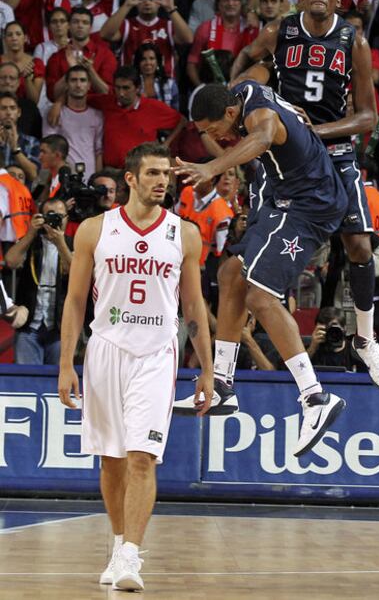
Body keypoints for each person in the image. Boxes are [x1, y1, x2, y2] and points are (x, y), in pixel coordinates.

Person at [58, 142, 214, 591]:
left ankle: (131, 556)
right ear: (130, 178)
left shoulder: (184, 233)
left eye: (166, 174)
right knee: (111, 460)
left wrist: (207, 369)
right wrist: (66, 363)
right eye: (152, 173)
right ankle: (118, 542)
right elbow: (73, 302)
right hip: (105, 348)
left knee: (142, 457)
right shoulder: (93, 230)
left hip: (156, 352)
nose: (162, 181)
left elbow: (193, 304)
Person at [228, 0, 379, 390]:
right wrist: (245, 103)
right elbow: (244, 68)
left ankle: (365, 338)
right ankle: (224, 371)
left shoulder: (352, 40)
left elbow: (367, 118)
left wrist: (313, 130)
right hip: (287, 157)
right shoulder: (278, 32)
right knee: (247, 258)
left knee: (360, 245)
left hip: (334, 149)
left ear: (340, 0)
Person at [173, 82, 348, 457]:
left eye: (210, 129)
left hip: (309, 204)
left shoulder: (259, 117)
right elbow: (257, 71)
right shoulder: (241, 91)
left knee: (260, 295)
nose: (210, 137)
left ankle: (316, 397)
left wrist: (213, 166)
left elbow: (264, 135)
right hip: (284, 197)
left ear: (231, 114)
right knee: (230, 275)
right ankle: (221, 383)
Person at [5, 197, 72, 364]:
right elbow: (11, 262)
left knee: (57, 384)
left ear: (67, 219)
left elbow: (74, 272)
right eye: (49, 215)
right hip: (29, 327)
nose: (54, 219)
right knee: (27, 383)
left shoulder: (73, 243)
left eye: (59, 215)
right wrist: (30, 233)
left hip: (59, 327)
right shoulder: (31, 241)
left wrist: (60, 243)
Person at [86, 65, 186, 169]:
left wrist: (165, 144)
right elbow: (80, 99)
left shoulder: (153, 107)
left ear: (137, 88)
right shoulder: (107, 102)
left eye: (126, 88)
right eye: (118, 87)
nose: (121, 93)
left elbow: (182, 121)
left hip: (142, 172)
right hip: (112, 173)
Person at [100, 0, 193, 77]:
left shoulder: (169, 25)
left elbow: (188, 39)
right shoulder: (127, 24)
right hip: (132, 84)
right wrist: (127, 5)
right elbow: (104, 34)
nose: (147, 2)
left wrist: (170, 8)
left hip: (164, 84)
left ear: (159, 2)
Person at [187, 0, 258, 88]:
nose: (230, 3)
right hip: (213, 89)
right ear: (218, 4)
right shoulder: (205, 28)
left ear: (241, 3)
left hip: (245, 88)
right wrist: (201, 88)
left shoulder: (252, 28)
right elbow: (192, 63)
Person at [43, 65, 103, 181]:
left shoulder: (97, 116)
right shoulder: (54, 113)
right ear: (66, 84)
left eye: (82, 80)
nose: (78, 85)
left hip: (89, 178)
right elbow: (49, 148)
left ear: (89, 85)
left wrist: (98, 180)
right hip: (61, 179)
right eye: (73, 80)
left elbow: (98, 151)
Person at [45, 7, 116, 102]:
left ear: (91, 28)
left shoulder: (105, 54)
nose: (80, 25)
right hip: (67, 110)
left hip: (98, 110)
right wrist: (71, 71)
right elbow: (52, 96)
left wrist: (90, 71)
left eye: (85, 22)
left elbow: (109, 94)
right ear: (69, 26)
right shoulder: (57, 57)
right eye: (75, 22)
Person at [0, 21, 45, 104]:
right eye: (10, 35)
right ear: (5, 39)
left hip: (27, 111)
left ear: (25, 38)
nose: (14, 38)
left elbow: (34, 100)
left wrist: (27, 79)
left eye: (18, 34)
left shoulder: (36, 64)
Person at [0, 91, 39, 183]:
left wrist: (15, 149)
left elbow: (34, 176)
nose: (8, 113)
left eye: (12, 108)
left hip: (21, 195)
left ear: (19, 112)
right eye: (3, 108)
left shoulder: (32, 142)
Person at [0, 61, 42, 139]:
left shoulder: (30, 107)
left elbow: (38, 137)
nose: (7, 81)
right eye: (3, 78)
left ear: (18, 82)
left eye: (12, 78)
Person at [134, 41, 180, 110]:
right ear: (138, 62)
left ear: (158, 61)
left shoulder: (170, 84)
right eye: (143, 59)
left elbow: (175, 112)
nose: (148, 63)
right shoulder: (132, 83)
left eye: (152, 58)